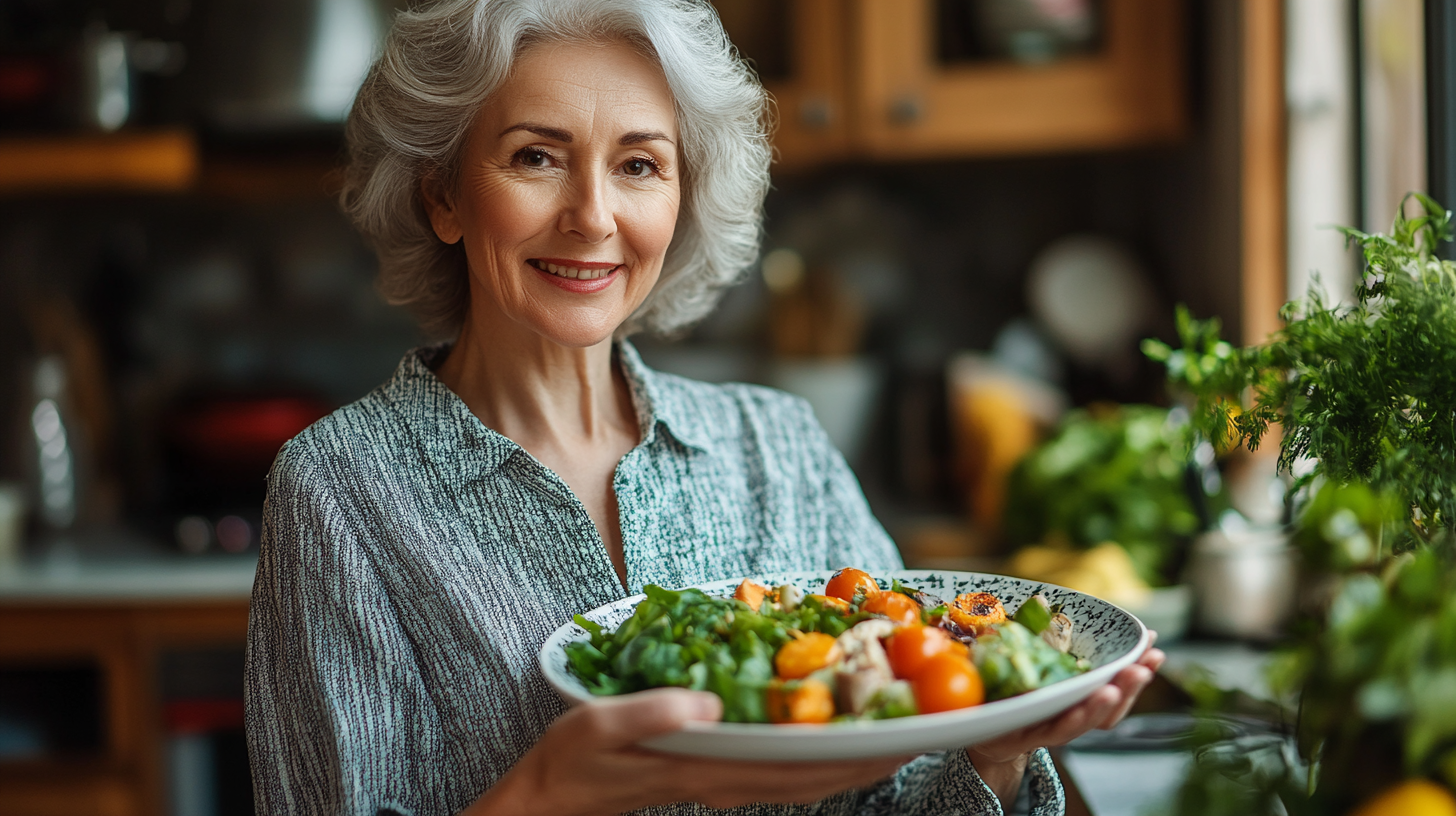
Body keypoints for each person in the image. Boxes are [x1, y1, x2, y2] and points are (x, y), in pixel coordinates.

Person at [243, 1, 1165, 814]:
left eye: (639, 165)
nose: (594, 216)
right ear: (442, 194)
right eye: (536, 156)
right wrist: (549, 796)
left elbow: (901, 786)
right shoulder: (341, 489)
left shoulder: (779, 446)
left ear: (681, 199)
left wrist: (994, 753)